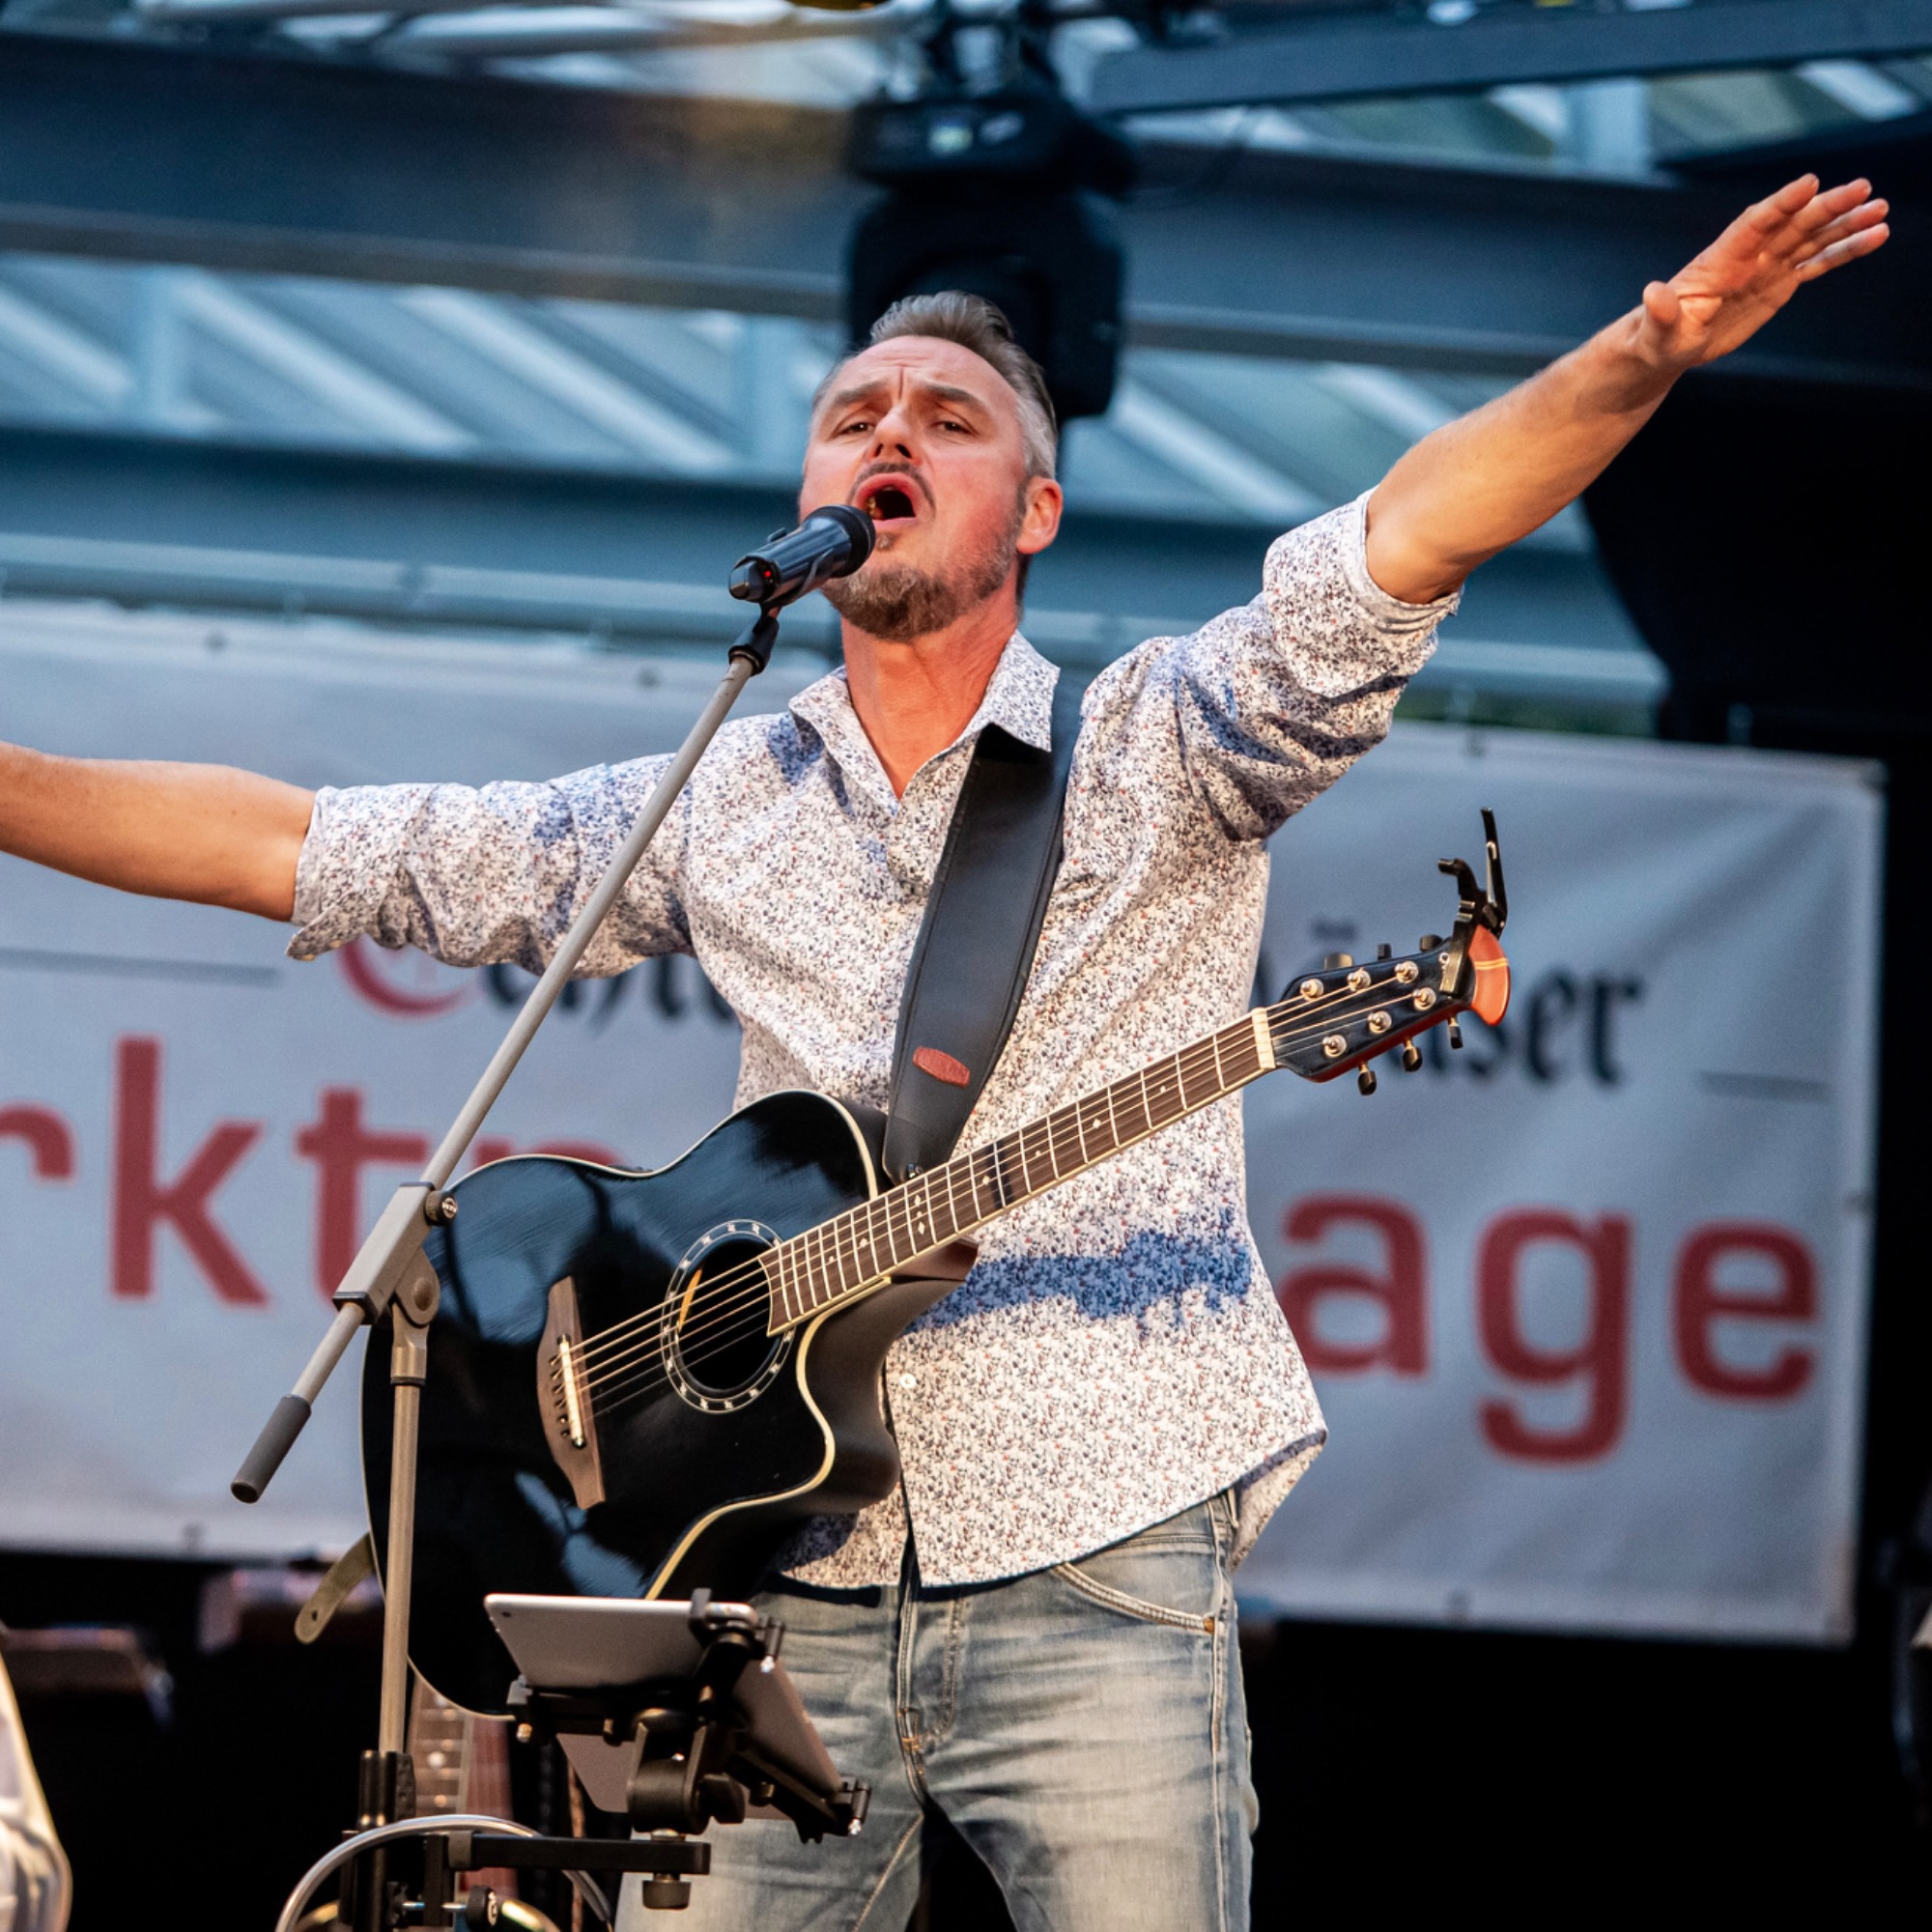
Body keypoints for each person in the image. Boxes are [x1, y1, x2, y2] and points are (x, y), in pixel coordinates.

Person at [0, 176, 1887, 1930]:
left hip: (1100, 1557)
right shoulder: (723, 792)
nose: (887, 429)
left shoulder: (1157, 750)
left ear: (1034, 514)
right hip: (779, 1572)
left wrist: (1641, 350)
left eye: (948, 415)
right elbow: (308, 844)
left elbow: (1402, 540)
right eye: (852, 413)